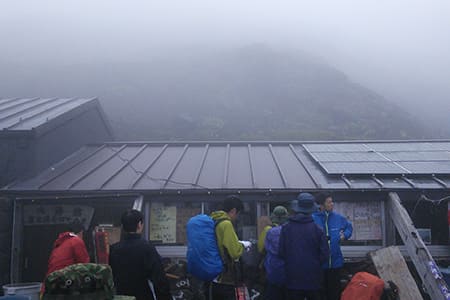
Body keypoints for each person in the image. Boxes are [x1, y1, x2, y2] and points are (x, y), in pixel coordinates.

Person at [109, 209, 171, 300]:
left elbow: (112, 277)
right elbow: (159, 280)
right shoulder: (147, 248)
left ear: (122, 226)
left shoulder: (114, 249)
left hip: (121, 296)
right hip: (142, 296)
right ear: (139, 225)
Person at [279, 193, 328, 300]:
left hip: (292, 278)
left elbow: (281, 253)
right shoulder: (318, 230)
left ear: (297, 208)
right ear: (312, 210)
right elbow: (324, 255)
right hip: (313, 279)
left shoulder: (286, 228)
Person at [312, 192, 353, 300]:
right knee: (320, 294)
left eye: (332, 201)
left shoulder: (338, 218)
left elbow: (349, 227)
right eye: (329, 202)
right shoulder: (313, 218)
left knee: (335, 293)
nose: (332, 204)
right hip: (319, 265)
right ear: (321, 205)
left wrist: (345, 235)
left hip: (335, 263)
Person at [210, 195, 250, 300]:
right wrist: (243, 245)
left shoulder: (214, 220)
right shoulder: (226, 224)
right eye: (238, 214)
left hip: (213, 275)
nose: (237, 217)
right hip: (224, 277)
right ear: (233, 211)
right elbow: (235, 252)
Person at [263, 206, 289, 300]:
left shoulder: (269, 231)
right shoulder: (290, 231)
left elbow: (262, 248)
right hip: (288, 273)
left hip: (273, 272)